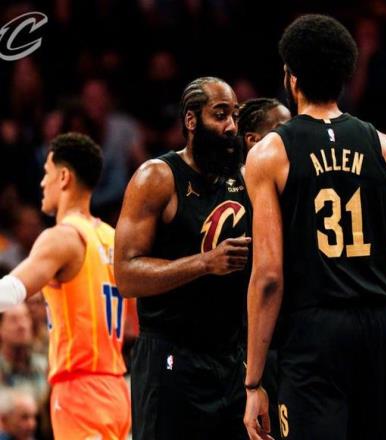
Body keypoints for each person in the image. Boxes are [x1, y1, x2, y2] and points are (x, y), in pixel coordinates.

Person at [244, 14, 386, 440]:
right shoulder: (385, 148)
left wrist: (253, 382)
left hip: (313, 332)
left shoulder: (270, 154)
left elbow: (268, 277)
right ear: (346, 75)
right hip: (377, 328)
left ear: (291, 77)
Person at [115, 76, 252, 440]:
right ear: (191, 120)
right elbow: (126, 275)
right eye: (219, 115)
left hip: (230, 358)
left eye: (235, 116)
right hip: (170, 355)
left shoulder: (242, 180)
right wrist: (205, 263)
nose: (231, 126)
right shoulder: (157, 177)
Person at [0, 133, 131, 439]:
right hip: (116, 388)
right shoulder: (113, 239)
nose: (42, 182)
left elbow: (11, 292)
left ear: (63, 177)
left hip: (79, 389)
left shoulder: (63, 236)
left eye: (46, 173)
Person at [238, 98, 291, 439]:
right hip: (251, 347)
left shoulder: (291, 188)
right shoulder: (230, 200)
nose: (291, 139)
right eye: (282, 131)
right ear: (253, 141)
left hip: (291, 341)